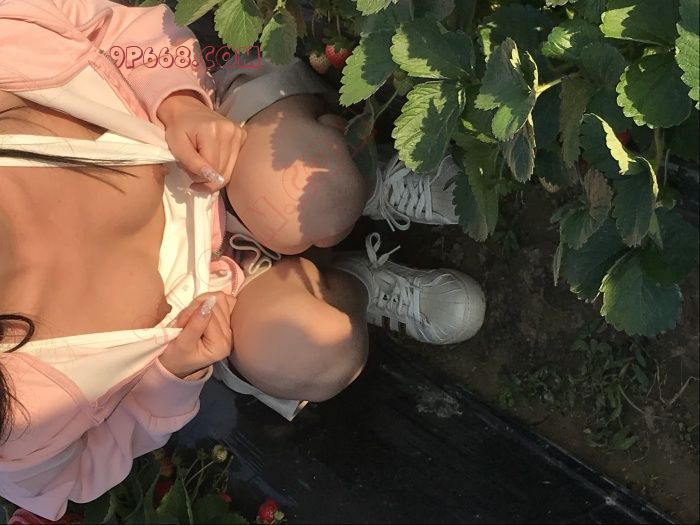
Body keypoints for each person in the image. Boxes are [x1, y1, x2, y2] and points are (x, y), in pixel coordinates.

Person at [0, 0, 485, 519]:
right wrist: (168, 380)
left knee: (313, 194)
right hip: (225, 296)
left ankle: (366, 186)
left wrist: (177, 102)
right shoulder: (20, 418)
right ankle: (353, 283)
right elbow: (78, 473)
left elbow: (103, 22)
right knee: (312, 356)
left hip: (224, 148)